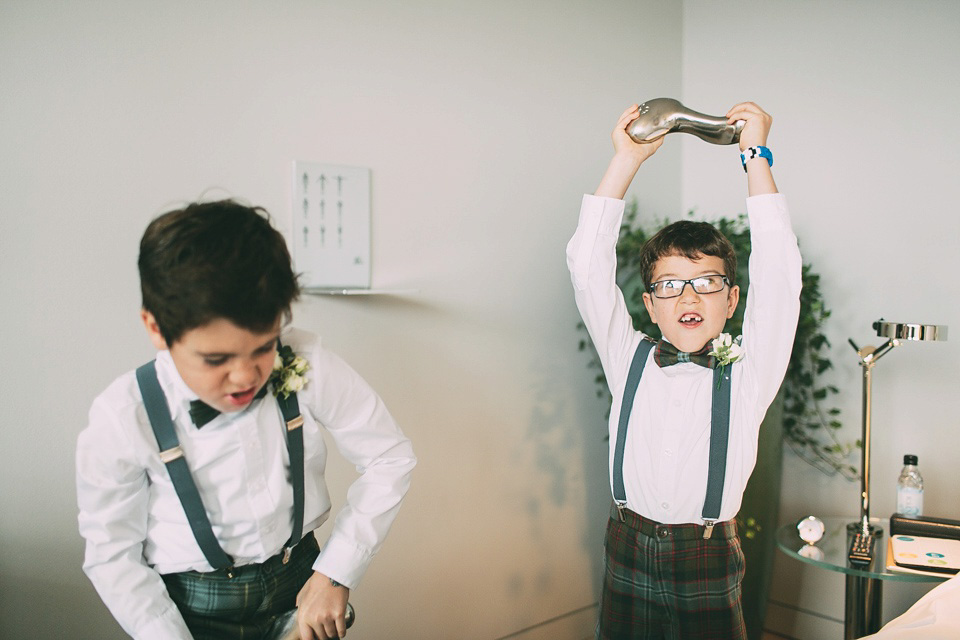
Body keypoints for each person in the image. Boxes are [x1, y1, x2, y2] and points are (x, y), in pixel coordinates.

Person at [76, 199, 416, 640]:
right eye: (216, 359)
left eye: (263, 348)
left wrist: (336, 573)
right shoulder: (123, 417)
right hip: (189, 611)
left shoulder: (306, 363)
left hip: (302, 581)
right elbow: (112, 553)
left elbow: (389, 456)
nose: (245, 376)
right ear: (156, 327)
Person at [567, 103, 801, 639]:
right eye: (669, 284)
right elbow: (586, 267)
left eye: (706, 282)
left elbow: (781, 273)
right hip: (625, 544)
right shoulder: (626, 356)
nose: (688, 294)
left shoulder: (749, 374)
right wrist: (626, 160)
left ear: (732, 300)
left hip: (708, 557)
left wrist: (755, 154)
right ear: (649, 305)